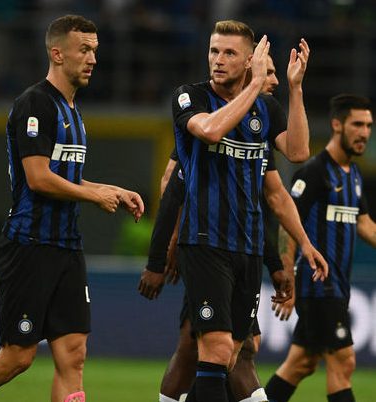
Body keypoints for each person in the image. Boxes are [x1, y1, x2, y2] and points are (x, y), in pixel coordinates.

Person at [0, 15, 144, 402]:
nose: (93, 59)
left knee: (74, 354)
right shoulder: (35, 103)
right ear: (57, 53)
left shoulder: (73, 110)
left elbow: (66, 177)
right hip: (30, 246)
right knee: (16, 358)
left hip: (67, 246)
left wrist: (110, 190)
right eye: (84, 50)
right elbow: (38, 178)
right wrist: (94, 197)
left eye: (95, 50)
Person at [150, 20, 327, 402]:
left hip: (247, 249)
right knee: (212, 349)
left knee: (233, 354)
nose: (218, 59)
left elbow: (297, 153)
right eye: (214, 51)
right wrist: (166, 245)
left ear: (248, 61)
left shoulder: (265, 110)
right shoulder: (190, 97)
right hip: (204, 243)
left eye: (229, 53)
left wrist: (296, 88)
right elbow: (210, 131)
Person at [265, 94, 375, 402]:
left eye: (368, 126)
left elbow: (365, 225)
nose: (364, 133)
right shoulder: (314, 171)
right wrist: (287, 277)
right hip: (318, 285)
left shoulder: (353, 175)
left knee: (301, 363)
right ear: (337, 125)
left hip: (337, 286)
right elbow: (289, 225)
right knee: (344, 361)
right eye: (357, 124)